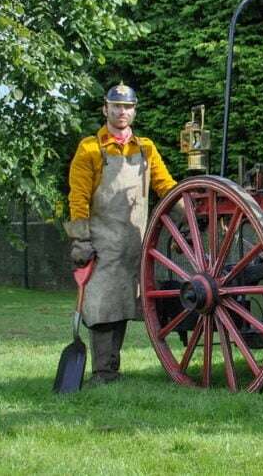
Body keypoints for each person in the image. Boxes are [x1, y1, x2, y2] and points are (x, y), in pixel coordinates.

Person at [64, 83, 178, 384]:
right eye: (116, 106)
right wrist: (81, 239)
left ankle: (111, 369)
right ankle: (103, 373)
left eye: (127, 107)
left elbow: (165, 187)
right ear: (105, 109)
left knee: (124, 304)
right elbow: (78, 197)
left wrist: (191, 209)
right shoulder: (90, 149)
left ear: (134, 111)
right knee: (102, 306)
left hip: (135, 244)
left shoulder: (146, 149)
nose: (122, 112)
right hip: (101, 243)